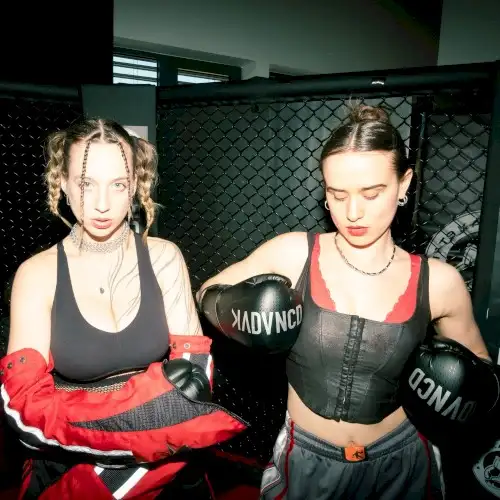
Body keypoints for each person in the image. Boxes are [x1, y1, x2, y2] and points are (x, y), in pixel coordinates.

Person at [197, 105, 498, 499]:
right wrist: (234, 307)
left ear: (404, 184)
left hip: (402, 461)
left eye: (372, 193)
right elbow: (208, 291)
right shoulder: (293, 254)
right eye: (336, 195)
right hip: (307, 460)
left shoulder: (440, 282)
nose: (353, 212)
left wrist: (467, 388)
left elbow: (484, 373)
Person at [0, 119, 247, 499]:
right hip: (76, 461)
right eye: (86, 184)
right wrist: (141, 431)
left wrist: (128, 442)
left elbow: (195, 376)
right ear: (63, 183)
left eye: (118, 184)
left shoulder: (164, 258)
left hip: (166, 464)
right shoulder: (37, 274)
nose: (102, 204)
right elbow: (23, 408)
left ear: (134, 186)